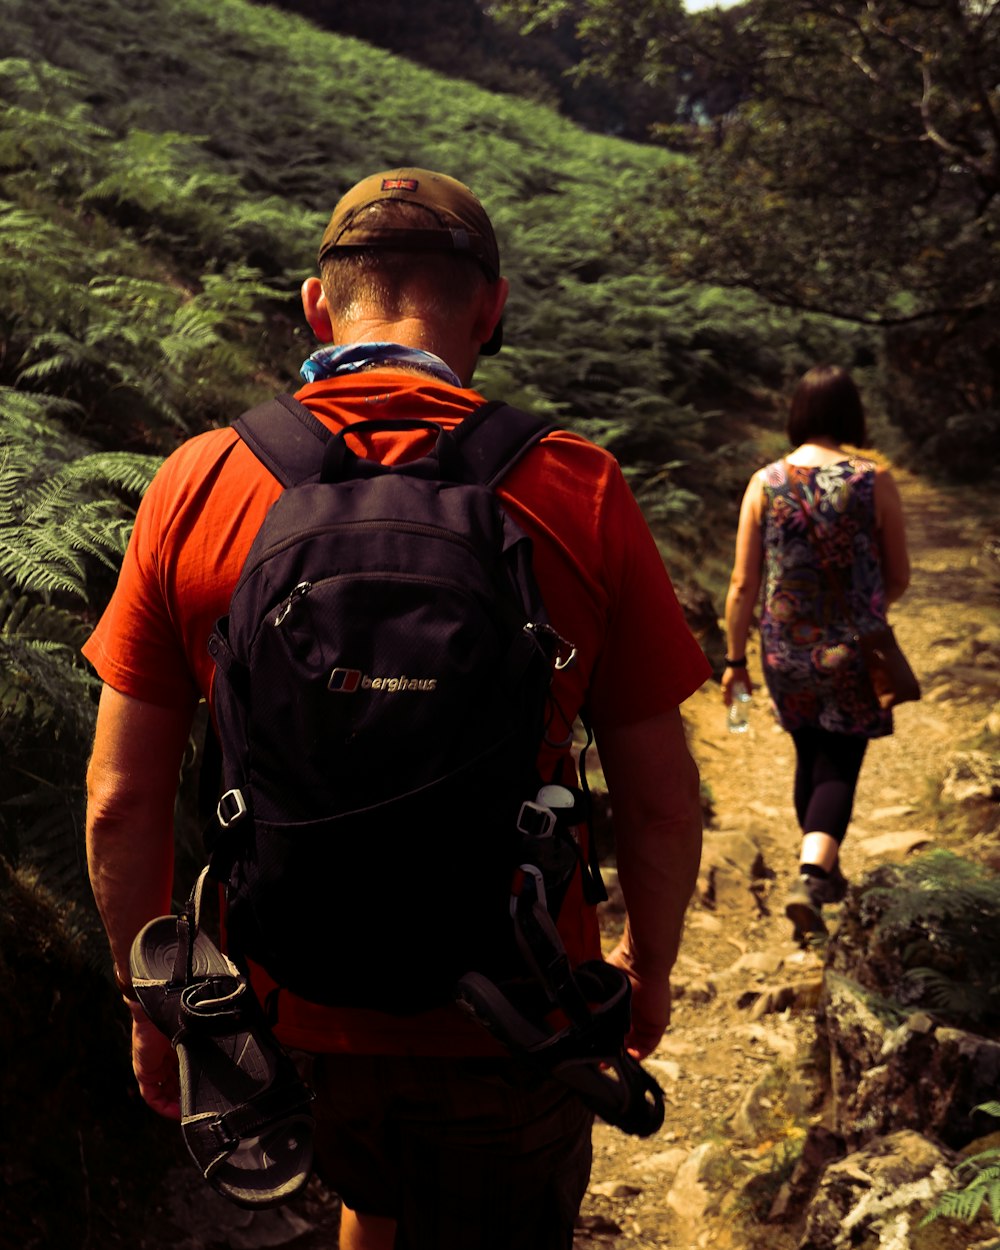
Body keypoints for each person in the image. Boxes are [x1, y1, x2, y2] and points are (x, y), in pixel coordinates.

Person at [84, 167, 709, 1250]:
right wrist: (643, 974)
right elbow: (659, 802)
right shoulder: (576, 485)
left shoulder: (197, 479)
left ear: (317, 307)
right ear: (492, 309)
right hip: (512, 1008)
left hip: (283, 1012)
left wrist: (159, 1007)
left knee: (367, 1204)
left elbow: (118, 800)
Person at [722, 364, 910, 942]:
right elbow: (897, 576)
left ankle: (823, 871)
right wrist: (863, 612)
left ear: (796, 413)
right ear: (852, 414)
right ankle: (810, 873)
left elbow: (741, 585)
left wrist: (734, 662)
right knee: (841, 762)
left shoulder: (765, 482)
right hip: (851, 646)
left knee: (810, 752)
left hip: (783, 651)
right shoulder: (872, 479)